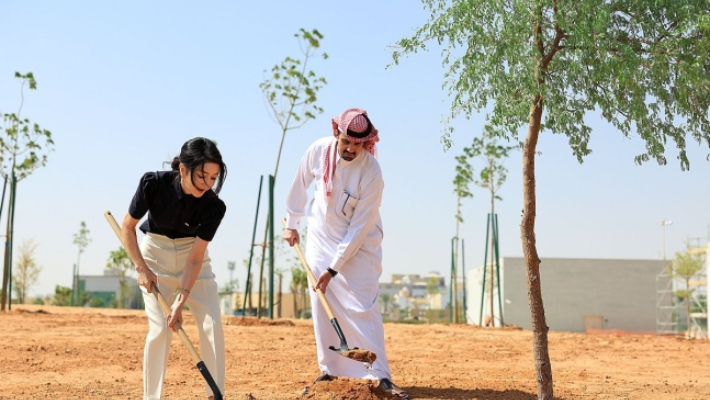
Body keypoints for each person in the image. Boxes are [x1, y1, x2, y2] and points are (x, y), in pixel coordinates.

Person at [283, 108, 408, 398]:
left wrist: (333, 268)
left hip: (360, 244)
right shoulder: (317, 150)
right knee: (321, 302)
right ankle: (331, 369)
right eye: (345, 142)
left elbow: (359, 227)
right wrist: (292, 224)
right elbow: (299, 185)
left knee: (361, 307)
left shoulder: (371, 173)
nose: (351, 149)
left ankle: (379, 375)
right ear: (336, 134)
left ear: (366, 143)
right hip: (320, 237)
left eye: (357, 144)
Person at [120, 137, 228, 400]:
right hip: (155, 257)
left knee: (212, 325)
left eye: (213, 178)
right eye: (202, 176)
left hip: (194, 260)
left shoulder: (214, 206)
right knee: (160, 330)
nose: (208, 184)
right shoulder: (153, 184)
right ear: (183, 170)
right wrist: (141, 267)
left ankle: (215, 395)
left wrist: (183, 296)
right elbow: (127, 227)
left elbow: (195, 258)